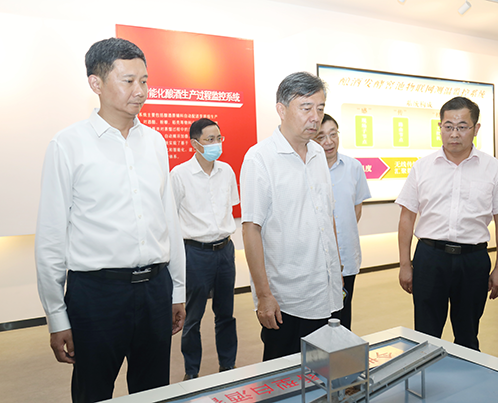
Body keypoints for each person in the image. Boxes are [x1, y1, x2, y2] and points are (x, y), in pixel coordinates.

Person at [35, 38, 186, 403]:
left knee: (153, 391)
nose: (141, 91)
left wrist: (177, 290)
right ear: (96, 83)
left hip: (155, 288)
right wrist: (57, 316)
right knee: (93, 391)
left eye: (144, 81)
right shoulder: (67, 144)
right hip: (96, 294)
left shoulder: (155, 142)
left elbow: (168, 219)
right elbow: (52, 235)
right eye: (128, 81)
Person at [396, 96, 498, 351]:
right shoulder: (423, 167)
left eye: (462, 127)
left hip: (473, 260)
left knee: (468, 334)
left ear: (476, 129)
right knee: (426, 334)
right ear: (439, 127)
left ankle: (466, 374)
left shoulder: (492, 168)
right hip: (430, 258)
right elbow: (407, 217)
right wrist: (405, 264)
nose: (454, 134)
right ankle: (426, 374)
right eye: (448, 126)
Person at [240, 72, 343, 361]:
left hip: (325, 290)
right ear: (281, 109)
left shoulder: (318, 154)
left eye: (320, 108)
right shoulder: (260, 158)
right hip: (288, 299)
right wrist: (263, 295)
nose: (315, 117)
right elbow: (251, 229)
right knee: (283, 376)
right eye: (306, 108)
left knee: (324, 370)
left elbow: (327, 215)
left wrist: (335, 270)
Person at [170, 119, 238, 379]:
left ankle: (228, 365)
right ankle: (191, 371)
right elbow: (170, 218)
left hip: (225, 251)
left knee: (226, 314)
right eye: (210, 139)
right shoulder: (180, 175)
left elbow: (230, 207)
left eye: (219, 138)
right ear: (195, 143)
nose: (216, 144)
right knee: (192, 317)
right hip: (195, 253)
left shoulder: (226, 171)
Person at [314, 114, 371, 330]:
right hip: (315, 259)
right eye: (321, 137)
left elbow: (356, 209)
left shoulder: (354, 167)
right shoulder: (308, 169)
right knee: (317, 319)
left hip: (347, 255)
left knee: (343, 316)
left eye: (333, 134)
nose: (329, 142)